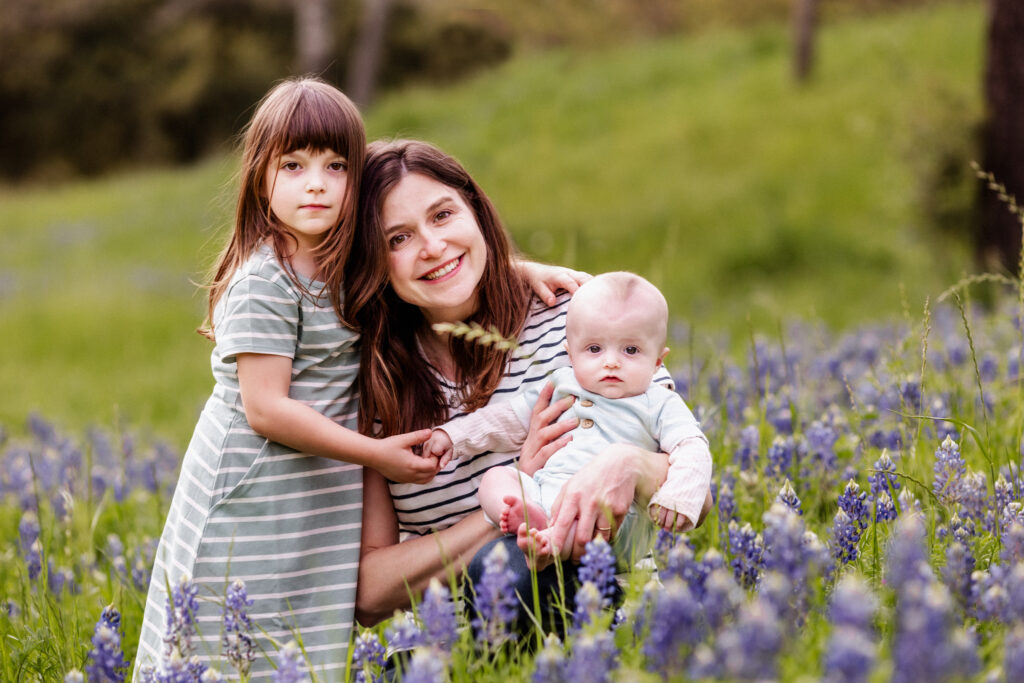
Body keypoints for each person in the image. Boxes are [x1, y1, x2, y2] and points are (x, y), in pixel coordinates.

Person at [134, 79, 579, 681]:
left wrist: (512, 268)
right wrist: (376, 454)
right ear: (258, 176)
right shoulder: (266, 278)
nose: (314, 182)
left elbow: (428, 265)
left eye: (335, 166)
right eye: (292, 165)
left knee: (293, 637)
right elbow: (264, 409)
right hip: (255, 492)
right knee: (221, 634)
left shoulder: (340, 269)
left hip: (315, 497)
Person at [346, 139, 713, 631]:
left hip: (607, 616)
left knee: (527, 578)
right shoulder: (374, 382)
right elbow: (370, 597)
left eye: (442, 215)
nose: (433, 247)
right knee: (510, 571)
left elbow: (698, 496)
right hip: (442, 644)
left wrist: (628, 464)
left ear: (475, 211)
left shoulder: (579, 316)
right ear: (372, 259)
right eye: (398, 239)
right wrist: (516, 494)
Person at [422, 271, 713, 569]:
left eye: (631, 350)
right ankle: (527, 519)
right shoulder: (561, 384)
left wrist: (677, 499)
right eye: (595, 349)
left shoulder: (659, 401)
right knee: (496, 480)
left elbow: (691, 447)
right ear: (570, 355)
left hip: (614, 518)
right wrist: (453, 437)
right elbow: (506, 419)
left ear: (657, 362)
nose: (611, 361)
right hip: (544, 493)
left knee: (588, 520)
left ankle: (550, 545)